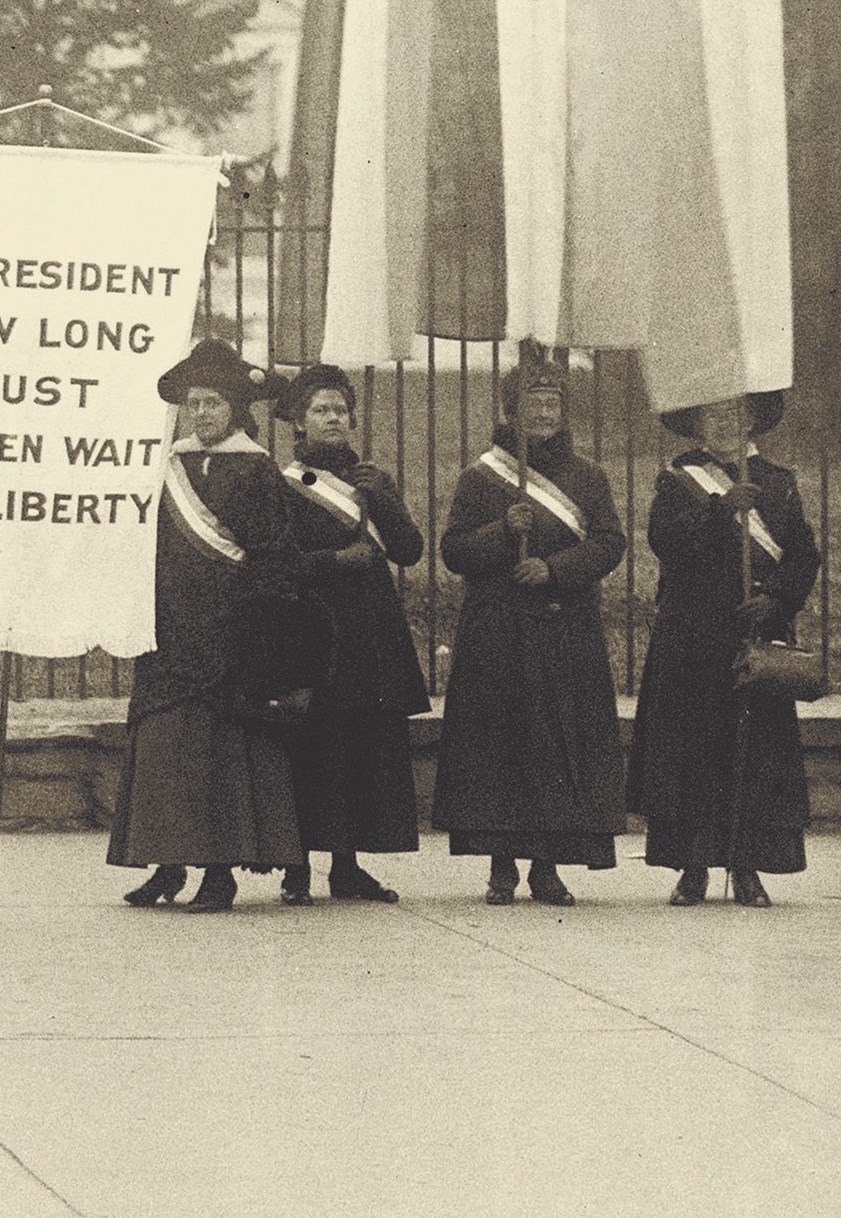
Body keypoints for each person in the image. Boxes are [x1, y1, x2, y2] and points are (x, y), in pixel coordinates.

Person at [111, 337, 306, 913]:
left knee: (220, 759)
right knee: (165, 750)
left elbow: (276, 561)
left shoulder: (257, 471)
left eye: (213, 403)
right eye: (194, 402)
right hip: (168, 631)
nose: (201, 413)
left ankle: (219, 875)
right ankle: (166, 867)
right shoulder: (168, 466)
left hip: (228, 635)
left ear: (236, 410)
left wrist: (250, 624)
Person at [432, 347, 628, 904]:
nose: (544, 414)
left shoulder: (587, 476)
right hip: (498, 630)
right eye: (532, 403)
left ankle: (547, 866)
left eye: (552, 403)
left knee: (556, 749)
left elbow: (610, 543)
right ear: (511, 411)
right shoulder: (482, 477)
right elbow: (453, 551)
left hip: (565, 628)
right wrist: (501, 531)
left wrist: (555, 568)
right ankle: (500, 865)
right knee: (501, 748)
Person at [630, 391, 817, 906]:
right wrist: (718, 512)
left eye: (736, 414)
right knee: (693, 756)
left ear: (754, 420)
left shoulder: (778, 480)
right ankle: (693, 868)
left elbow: (803, 553)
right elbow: (664, 542)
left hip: (755, 632)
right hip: (692, 636)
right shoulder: (677, 480)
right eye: (712, 414)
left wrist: (778, 599)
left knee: (755, 756)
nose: (725, 424)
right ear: (696, 422)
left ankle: (748, 867)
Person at [267, 362, 427, 904]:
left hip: (370, 631)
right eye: (321, 410)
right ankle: (298, 869)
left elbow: (409, 550)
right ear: (299, 423)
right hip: (312, 629)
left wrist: (382, 496)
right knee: (312, 748)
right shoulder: (285, 486)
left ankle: (347, 865)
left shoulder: (370, 481)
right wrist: (338, 559)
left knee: (360, 747)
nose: (333, 417)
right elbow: (278, 564)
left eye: (340, 410)